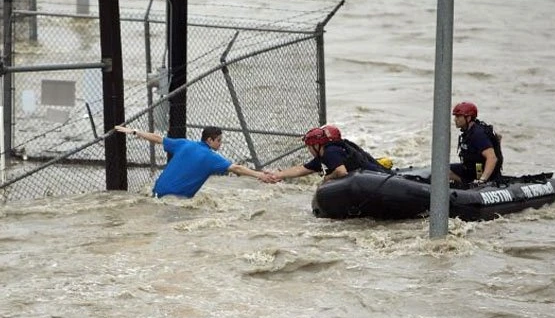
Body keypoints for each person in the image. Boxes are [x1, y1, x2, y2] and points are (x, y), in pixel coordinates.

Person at [114, 125, 276, 198]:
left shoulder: (184, 143)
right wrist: (260, 175)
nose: (221, 143)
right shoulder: (211, 158)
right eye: (219, 140)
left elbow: (158, 138)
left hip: (156, 192)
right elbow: (237, 168)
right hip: (175, 200)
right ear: (210, 140)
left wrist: (134, 131)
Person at [270, 124, 391, 183]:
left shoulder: (330, 152)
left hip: (377, 179)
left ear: (316, 145)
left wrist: (327, 178)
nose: (309, 150)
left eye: (309, 147)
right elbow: (301, 170)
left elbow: (341, 172)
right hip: (377, 176)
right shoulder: (330, 152)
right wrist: (277, 175)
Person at [449, 101, 504, 184]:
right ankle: (464, 183)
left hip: (483, 175)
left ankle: (467, 184)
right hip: (471, 170)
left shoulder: (478, 134)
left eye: (458, 116)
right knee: (443, 170)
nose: (455, 119)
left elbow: (492, 158)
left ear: (468, 118)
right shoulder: (468, 132)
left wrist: (482, 180)